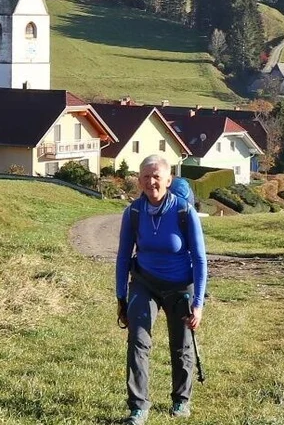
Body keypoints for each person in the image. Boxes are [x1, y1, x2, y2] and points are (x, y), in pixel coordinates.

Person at [114, 154, 207, 422]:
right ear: (139, 180)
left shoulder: (183, 212)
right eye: (145, 176)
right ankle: (138, 406)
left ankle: (181, 400)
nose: (151, 181)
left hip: (180, 287)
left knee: (181, 346)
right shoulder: (133, 212)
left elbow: (200, 259)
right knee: (138, 342)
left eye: (156, 176)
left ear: (168, 179)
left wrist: (198, 303)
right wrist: (122, 297)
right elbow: (123, 256)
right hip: (145, 284)